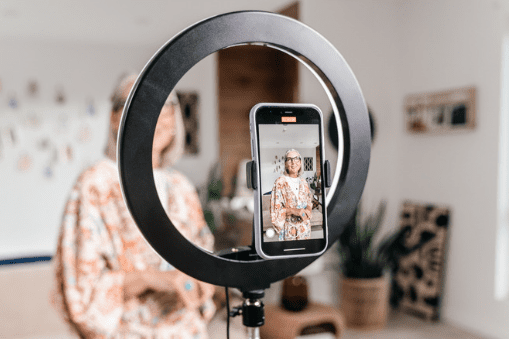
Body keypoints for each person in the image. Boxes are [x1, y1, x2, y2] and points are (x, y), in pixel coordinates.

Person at [52, 74, 216, 338]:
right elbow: (81, 290)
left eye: (165, 107)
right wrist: (153, 279)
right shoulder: (95, 185)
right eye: (140, 105)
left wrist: (203, 285)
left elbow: (204, 256)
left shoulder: (181, 187)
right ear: (115, 118)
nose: (155, 116)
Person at [270, 149, 313, 241]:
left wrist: (308, 209)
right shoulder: (280, 182)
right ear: (285, 164)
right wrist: (294, 211)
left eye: (296, 159)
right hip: (289, 230)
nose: (293, 162)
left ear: (300, 162)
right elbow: (275, 210)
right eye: (289, 159)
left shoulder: (304, 182)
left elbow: (309, 200)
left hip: (305, 229)